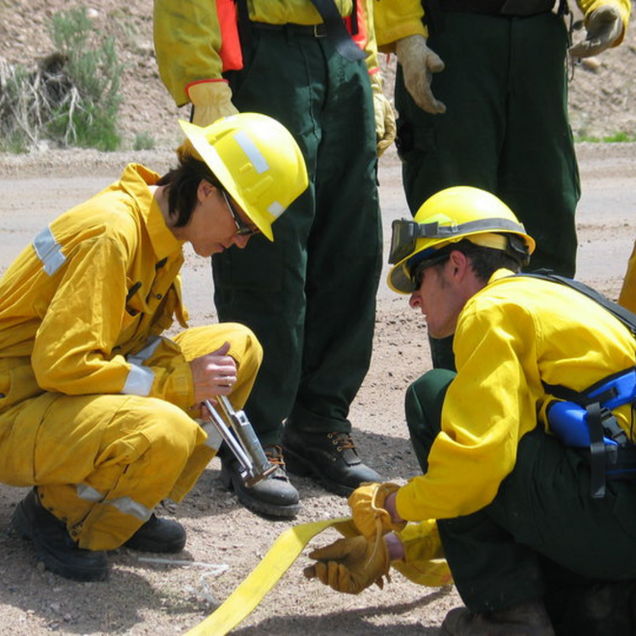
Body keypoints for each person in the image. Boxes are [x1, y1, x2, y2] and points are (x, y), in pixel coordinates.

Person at [304, 186, 636, 635]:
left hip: (614, 523)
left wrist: (393, 506)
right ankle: (601, 605)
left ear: (456, 265)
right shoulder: (556, 299)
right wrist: (400, 546)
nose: (414, 300)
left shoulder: (490, 311)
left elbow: (477, 469)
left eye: (418, 276)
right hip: (619, 523)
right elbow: (514, 483)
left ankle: (507, 618)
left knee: (432, 397)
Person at [0, 112, 308, 582]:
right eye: (243, 224)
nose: (241, 243)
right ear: (207, 190)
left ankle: (128, 500)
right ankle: (57, 516)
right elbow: (62, 365)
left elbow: (127, 345)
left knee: (238, 351)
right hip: (16, 406)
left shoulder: (160, 234)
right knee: (163, 428)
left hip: (55, 392)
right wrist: (180, 384)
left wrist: (184, 383)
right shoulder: (113, 234)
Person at [154, 0, 395, 519]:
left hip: (339, 54)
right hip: (263, 57)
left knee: (351, 250)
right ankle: (255, 436)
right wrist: (202, 80)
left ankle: (320, 425)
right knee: (266, 257)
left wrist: (369, 70)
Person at [373, 0, 631, 370]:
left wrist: (604, 4)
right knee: (457, 229)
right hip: (454, 37)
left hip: (539, 35)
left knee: (547, 216)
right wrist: (404, 32)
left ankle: (547, 388)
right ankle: (461, 392)